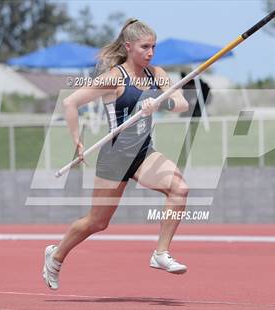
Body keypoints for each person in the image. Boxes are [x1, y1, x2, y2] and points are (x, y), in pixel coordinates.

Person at [42, 18, 190, 290]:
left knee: (179, 188)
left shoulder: (156, 73)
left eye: (154, 47)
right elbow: (70, 102)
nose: (151, 52)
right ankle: (56, 254)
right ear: (129, 46)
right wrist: (77, 139)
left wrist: (160, 102)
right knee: (97, 222)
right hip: (115, 157)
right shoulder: (114, 77)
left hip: (144, 153)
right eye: (145, 47)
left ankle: (160, 254)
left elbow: (181, 104)